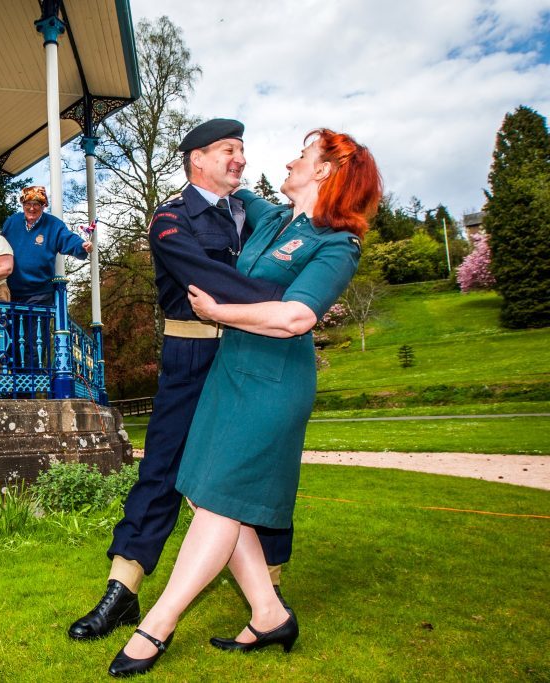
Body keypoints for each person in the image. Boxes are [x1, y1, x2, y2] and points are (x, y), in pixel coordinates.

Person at [107, 128, 382, 678]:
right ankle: (268, 612)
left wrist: (218, 314)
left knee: (218, 507)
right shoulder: (275, 218)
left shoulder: (337, 243)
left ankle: (157, 625)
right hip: (232, 374)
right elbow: (220, 186)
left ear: (325, 172)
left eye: (302, 157)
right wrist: (206, 173)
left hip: (274, 383)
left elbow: (297, 317)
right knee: (205, 493)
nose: (287, 160)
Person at [68, 119, 293, 642]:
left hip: (249, 349)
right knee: (163, 469)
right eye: (227, 150)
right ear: (197, 159)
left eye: (243, 149)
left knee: (259, 470)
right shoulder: (171, 216)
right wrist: (290, 304)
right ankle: (122, 590)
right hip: (192, 352)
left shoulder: (253, 214)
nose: (239, 158)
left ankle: (271, 592)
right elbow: (209, 278)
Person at [0, 185, 91, 307]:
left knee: (34, 326)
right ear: (23, 204)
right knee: (11, 326)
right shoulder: (12, 221)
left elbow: (68, 239)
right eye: (28, 204)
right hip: (10, 291)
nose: (32, 208)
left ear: (44, 206)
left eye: (36, 204)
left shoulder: (54, 225)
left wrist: (81, 245)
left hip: (39, 294)